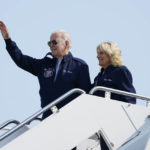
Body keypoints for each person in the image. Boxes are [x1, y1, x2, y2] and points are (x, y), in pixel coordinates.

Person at [0, 21, 91, 119]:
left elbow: (86, 95)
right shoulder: (44, 64)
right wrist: (7, 39)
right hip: (48, 117)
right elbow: (21, 60)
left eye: (54, 42)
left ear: (66, 43)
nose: (51, 45)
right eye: (49, 43)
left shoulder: (79, 66)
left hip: (70, 117)